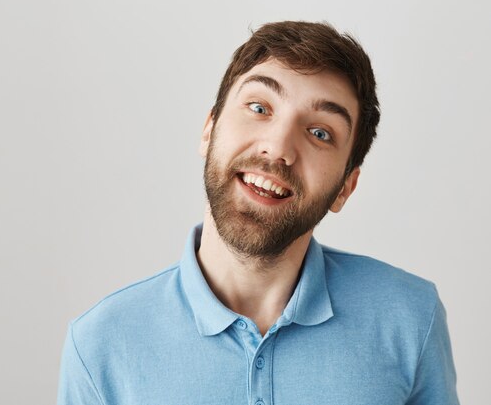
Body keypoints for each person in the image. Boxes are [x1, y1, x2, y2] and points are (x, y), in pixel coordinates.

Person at [57, 21, 459, 405]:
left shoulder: (410, 317)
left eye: (320, 132)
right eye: (259, 107)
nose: (278, 146)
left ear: (344, 188)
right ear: (208, 130)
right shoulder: (100, 345)